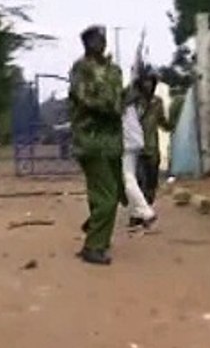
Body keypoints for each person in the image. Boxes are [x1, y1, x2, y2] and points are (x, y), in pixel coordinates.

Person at [68, 24, 125, 265]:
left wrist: (124, 100)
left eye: (102, 39)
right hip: (90, 140)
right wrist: (113, 106)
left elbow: (118, 98)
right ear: (86, 44)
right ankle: (93, 246)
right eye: (93, 40)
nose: (99, 43)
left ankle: (97, 231)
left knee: (105, 192)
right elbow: (86, 99)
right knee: (107, 196)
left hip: (112, 140)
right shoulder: (81, 69)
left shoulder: (114, 70)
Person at [120, 72, 159, 230]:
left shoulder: (125, 100)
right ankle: (137, 213)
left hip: (128, 142)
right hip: (135, 142)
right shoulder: (133, 100)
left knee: (128, 179)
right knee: (132, 179)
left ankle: (145, 211)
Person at [132, 70, 171, 206]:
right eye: (145, 82)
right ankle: (140, 210)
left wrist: (171, 126)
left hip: (152, 147)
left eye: (150, 82)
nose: (148, 85)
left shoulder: (157, 102)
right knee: (139, 180)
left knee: (152, 181)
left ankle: (148, 204)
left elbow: (161, 121)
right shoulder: (135, 103)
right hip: (137, 148)